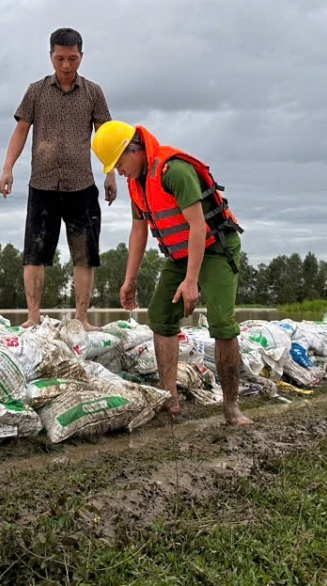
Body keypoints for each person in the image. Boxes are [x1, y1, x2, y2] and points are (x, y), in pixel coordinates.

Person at [91, 121, 251, 426]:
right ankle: (169, 399)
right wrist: (130, 280)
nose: (119, 171)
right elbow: (138, 233)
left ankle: (231, 407)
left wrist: (191, 282)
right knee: (161, 314)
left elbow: (198, 227)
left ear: (133, 150)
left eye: (119, 163)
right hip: (181, 254)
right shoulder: (137, 183)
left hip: (216, 247)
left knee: (221, 321)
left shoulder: (173, 171)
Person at [0, 29, 116, 329]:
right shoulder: (35, 91)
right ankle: (33, 317)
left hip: (82, 184)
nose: (66, 65)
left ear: (81, 56)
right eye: (60, 58)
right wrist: (7, 167)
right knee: (34, 253)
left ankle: (82, 319)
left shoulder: (93, 92)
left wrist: (110, 173)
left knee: (85, 255)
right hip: (42, 184)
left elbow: (106, 136)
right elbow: (21, 131)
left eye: (72, 59)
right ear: (51, 55)